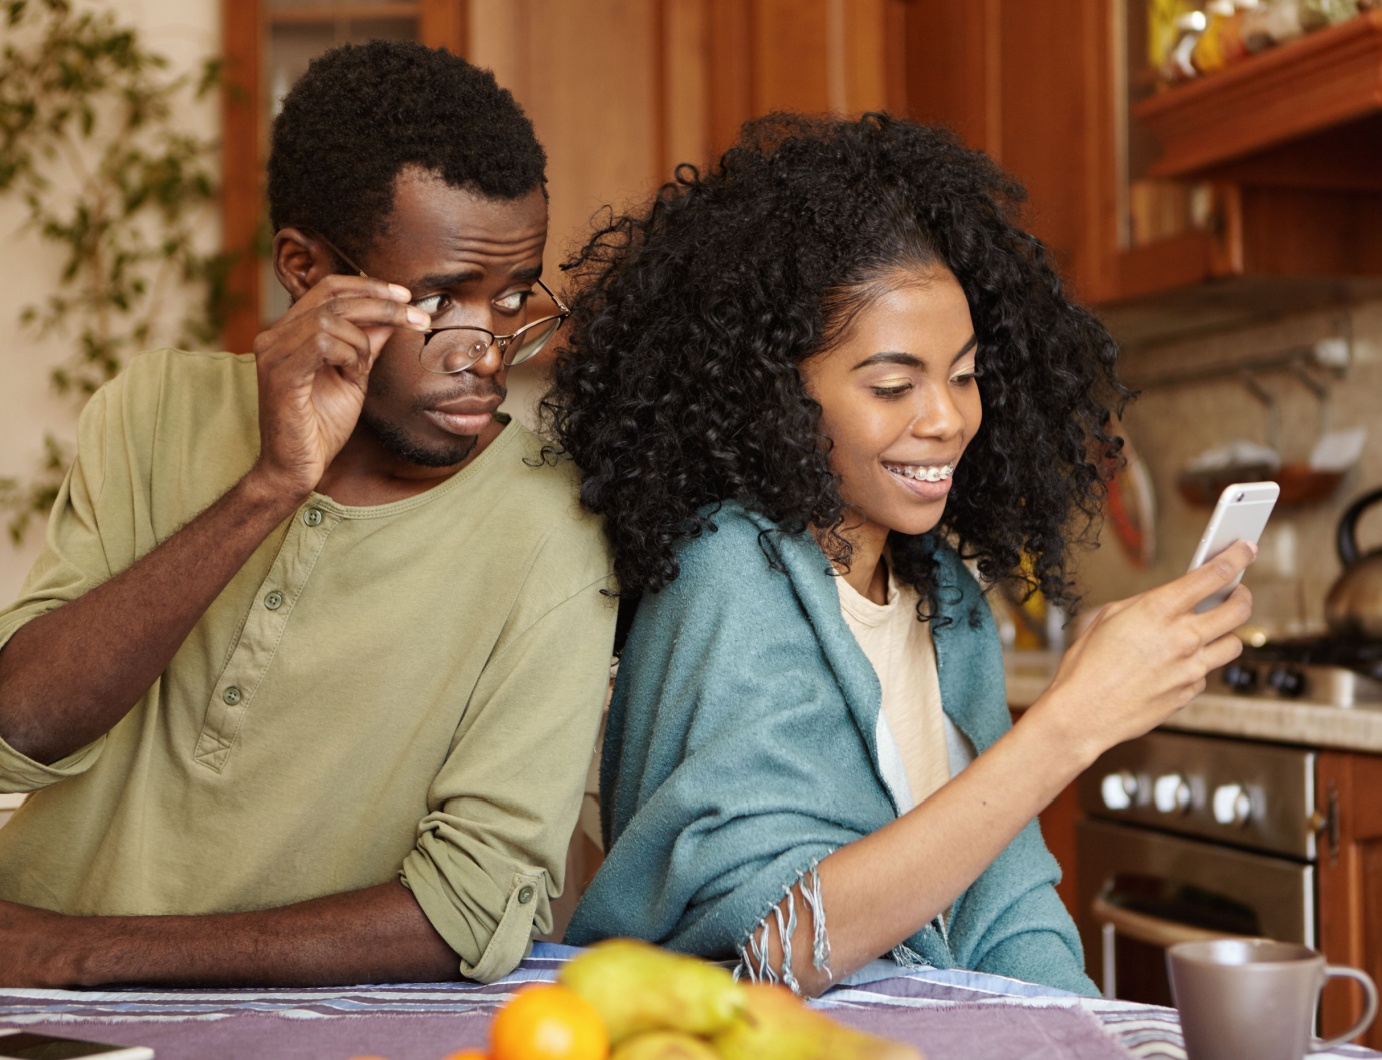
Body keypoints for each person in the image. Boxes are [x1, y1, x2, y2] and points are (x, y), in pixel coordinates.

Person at [550, 113, 1255, 996]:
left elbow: (1005, 903)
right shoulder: (728, 568)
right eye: (893, 385)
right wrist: (1071, 723)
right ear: (773, 396)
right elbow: (778, 951)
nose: (948, 419)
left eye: (963, 374)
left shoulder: (945, 594)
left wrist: (1085, 1033)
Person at [0, 41, 615, 988]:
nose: (488, 352)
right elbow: (20, 727)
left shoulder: (554, 527)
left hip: (290, 1022)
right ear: (305, 268)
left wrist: (80, 951)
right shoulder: (155, 410)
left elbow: (472, 903)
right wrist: (269, 486)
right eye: (442, 299)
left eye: (510, 297)